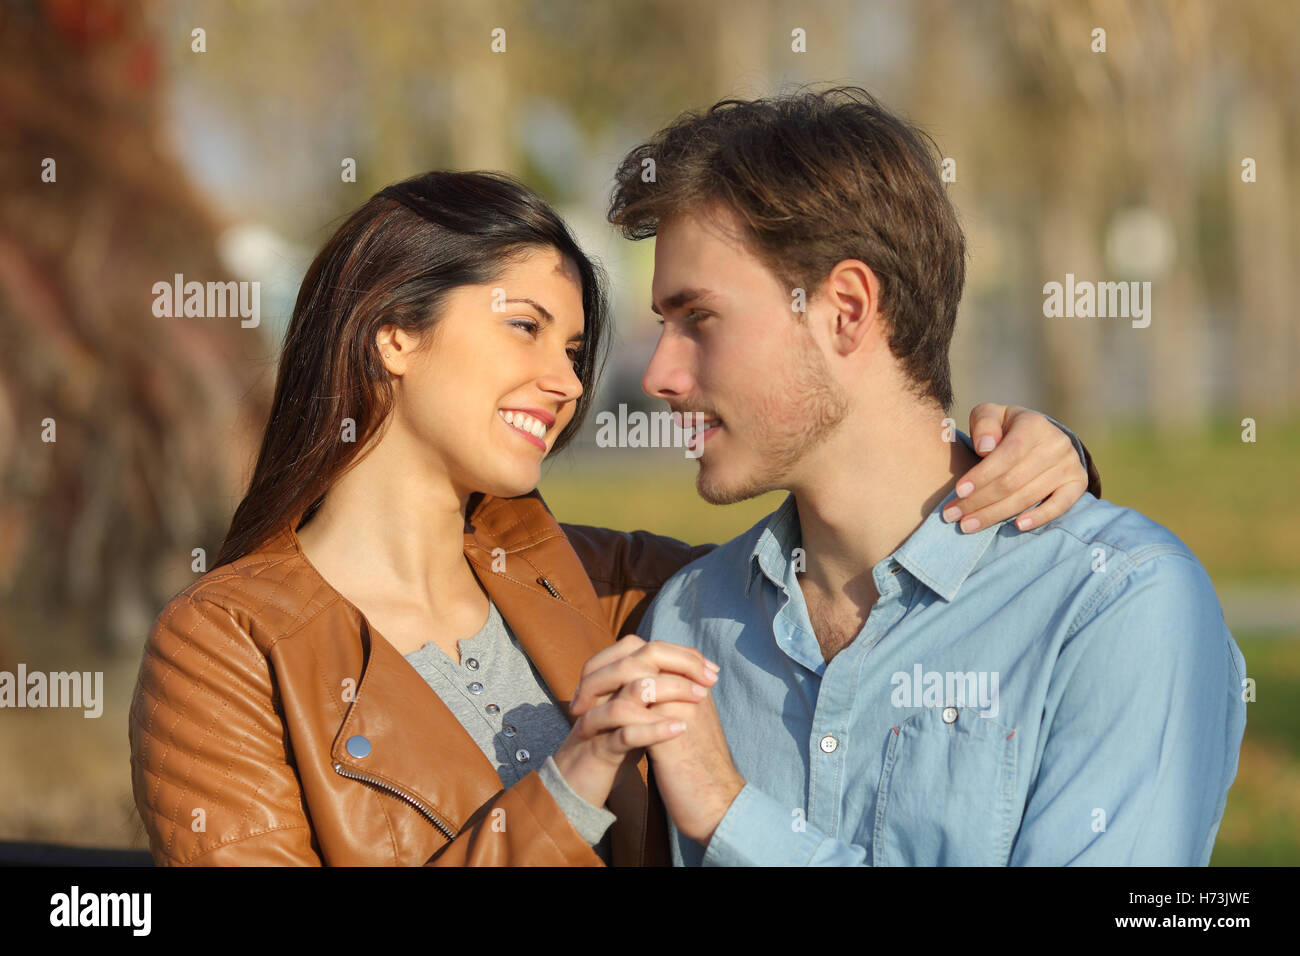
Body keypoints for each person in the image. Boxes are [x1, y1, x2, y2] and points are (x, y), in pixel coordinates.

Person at [128, 169, 1099, 866]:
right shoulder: (228, 646)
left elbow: (855, 566)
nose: (563, 382)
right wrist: (571, 777)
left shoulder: (615, 585)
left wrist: (1035, 459)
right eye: (525, 329)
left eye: (578, 347)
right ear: (393, 331)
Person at [602, 86, 1248, 866]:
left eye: (698, 318)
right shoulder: (689, 622)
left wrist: (734, 818)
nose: (661, 373)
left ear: (844, 309)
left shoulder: (1119, 605)